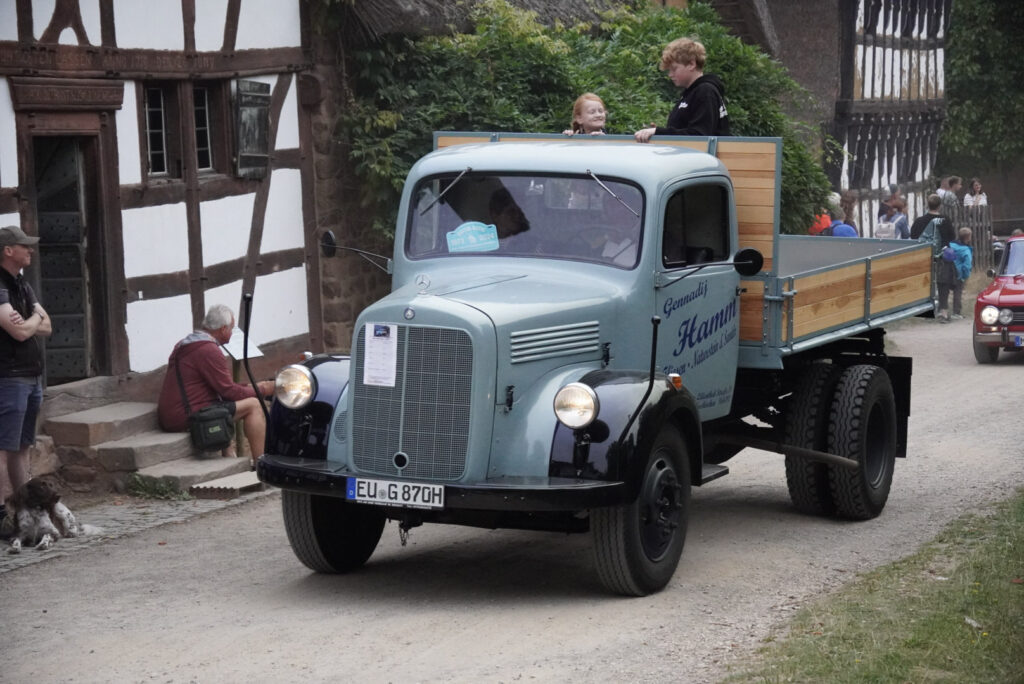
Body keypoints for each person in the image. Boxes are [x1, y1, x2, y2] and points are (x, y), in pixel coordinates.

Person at [157, 304, 274, 467]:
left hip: (174, 413)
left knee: (225, 405)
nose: (232, 333)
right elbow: (228, 391)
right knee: (253, 405)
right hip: (185, 416)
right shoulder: (208, 350)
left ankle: (230, 461)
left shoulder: (184, 344)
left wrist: (250, 386)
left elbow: (219, 386)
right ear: (223, 329)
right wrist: (262, 390)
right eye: (231, 329)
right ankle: (263, 466)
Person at [0, 226, 52, 531]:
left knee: (22, 447)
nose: (30, 250)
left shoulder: (21, 284)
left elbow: (47, 325)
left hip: (31, 376)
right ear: (8, 250)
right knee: (4, 448)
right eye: (25, 246)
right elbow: (17, 331)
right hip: (9, 377)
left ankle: (28, 511)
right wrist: (34, 319)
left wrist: (30, 321)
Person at [634, 37, 730, 142]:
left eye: (674, 69)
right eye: (669, 70)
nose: (670, 75)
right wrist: (659, 134)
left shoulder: (705, 92)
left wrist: (660, 132)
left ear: (691, 64)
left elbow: (700, 137)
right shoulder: (690, 94)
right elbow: (686, 132)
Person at [936, 227, 973, 322]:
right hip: (958, 274)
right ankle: (956, 313)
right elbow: (967, 265)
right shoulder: (965, 250)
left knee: (944, 293)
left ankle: (943, 312)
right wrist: (965, 276)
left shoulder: (951, 245)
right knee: (957, 293)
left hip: (946, 272)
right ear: (968, 237)